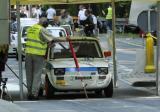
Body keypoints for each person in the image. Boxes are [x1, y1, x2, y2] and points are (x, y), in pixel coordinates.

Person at [25, 17, 64, 100]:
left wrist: (47, 45)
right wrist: (65, 38)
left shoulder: (31, 28)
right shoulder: (42, 29)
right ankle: (34, 94)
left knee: (29, 75)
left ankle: (29, 93)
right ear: (44, 23)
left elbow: (39, 41)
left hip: (28, 54)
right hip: (38, 55)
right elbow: (53, 38)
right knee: (37, 74)